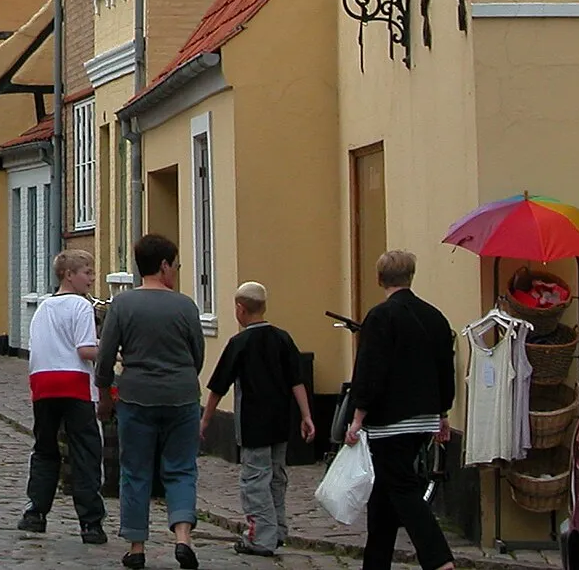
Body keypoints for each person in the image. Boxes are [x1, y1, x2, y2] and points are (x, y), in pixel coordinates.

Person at [95, 234, 206, 570]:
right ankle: (183, 536)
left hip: (136, 395)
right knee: (182, 467)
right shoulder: (185, 305)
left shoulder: (123, 306)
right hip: (181, 396)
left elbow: (105, 356)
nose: (176, 270)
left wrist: (104, 395)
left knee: (135, 470)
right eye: (175, 265)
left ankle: (137, 545)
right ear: (163, 265)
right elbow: (197, 354)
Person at [343, 251, 456, 570]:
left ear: (380, 279)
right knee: (384, 495)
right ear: (411, 276)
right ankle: (375, 563)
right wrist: (443, 413)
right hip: (423, 418)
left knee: (403, 489)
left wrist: (357, 417)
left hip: (389, 423)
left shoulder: (380, 317)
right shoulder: (435, 317)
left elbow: (370, 370)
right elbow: (443, 369)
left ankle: (439, 559)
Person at [201, 282, 317, 557]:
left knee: (254, 479)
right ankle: (277, 529)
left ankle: (260, 537)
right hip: (281, 421)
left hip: (252, 423)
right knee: (277, 476)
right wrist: (306, 415)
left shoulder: (239, 343)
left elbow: (219, 386)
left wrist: (206, 419)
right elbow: (296, 381)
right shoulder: (282, 338)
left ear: (240, 309)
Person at [21, 249, 107, 544]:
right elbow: (84, 350)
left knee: (45, 447)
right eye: (87, 273)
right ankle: (90, 522)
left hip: (43, 382)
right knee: (85, 450)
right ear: (68, 275)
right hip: (74, 383)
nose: (91, 279)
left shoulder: (43, 307)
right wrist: (110, 350)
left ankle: (35, 512)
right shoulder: (81, 307)